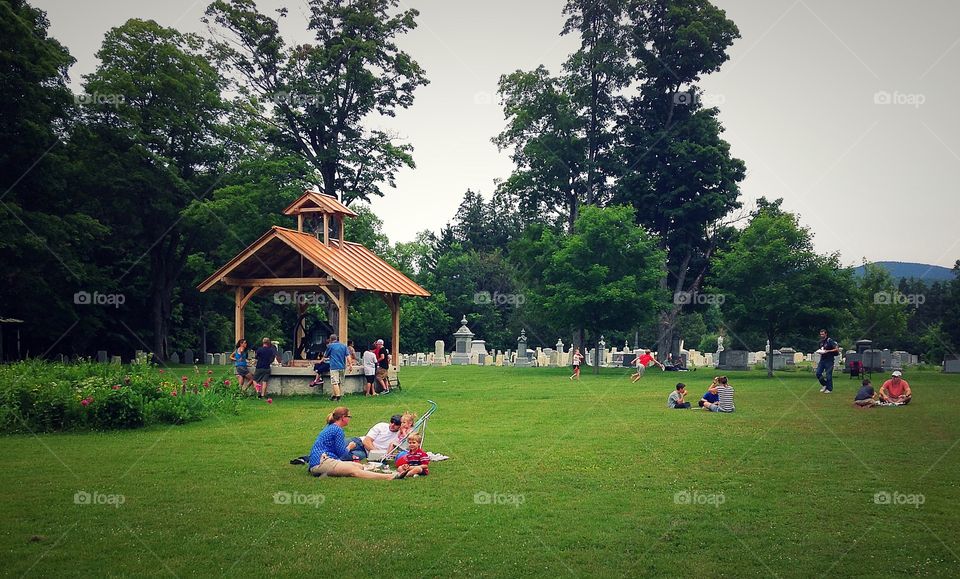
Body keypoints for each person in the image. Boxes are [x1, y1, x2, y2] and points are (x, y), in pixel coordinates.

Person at [307, 407, 397, 479]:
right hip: (322, 462)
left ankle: (384, 472)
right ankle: (388, 477)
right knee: (354, 471)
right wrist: (350, 447)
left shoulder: (331, 426)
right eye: (349, 417)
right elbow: (342, 454)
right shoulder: (337, 430)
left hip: (322, 460)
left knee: (358, 465)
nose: (349, 419)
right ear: (343, 417)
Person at [816, 329, 841, 394]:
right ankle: (824, 384)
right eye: (821, 334)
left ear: (826, 334)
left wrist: (828, 351)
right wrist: (820, 352)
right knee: (818, 373)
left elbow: (836, 349)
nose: (821, 335)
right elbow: (821, 349)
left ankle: (829, 389)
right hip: (822, 360)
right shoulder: (820, 342)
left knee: (828, 375)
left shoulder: (830, 341)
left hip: (829, 360)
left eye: (823, 334)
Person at [325, 334, 349, 401]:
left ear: (330, 339)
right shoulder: (344, 346)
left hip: (334, 367)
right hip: (342, 366)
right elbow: (348, 356)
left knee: (334, 382)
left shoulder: (330, 346)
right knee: (339, 382)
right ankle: (334, 396)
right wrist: (350, 365)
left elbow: (326, 355)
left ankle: (338, 397)